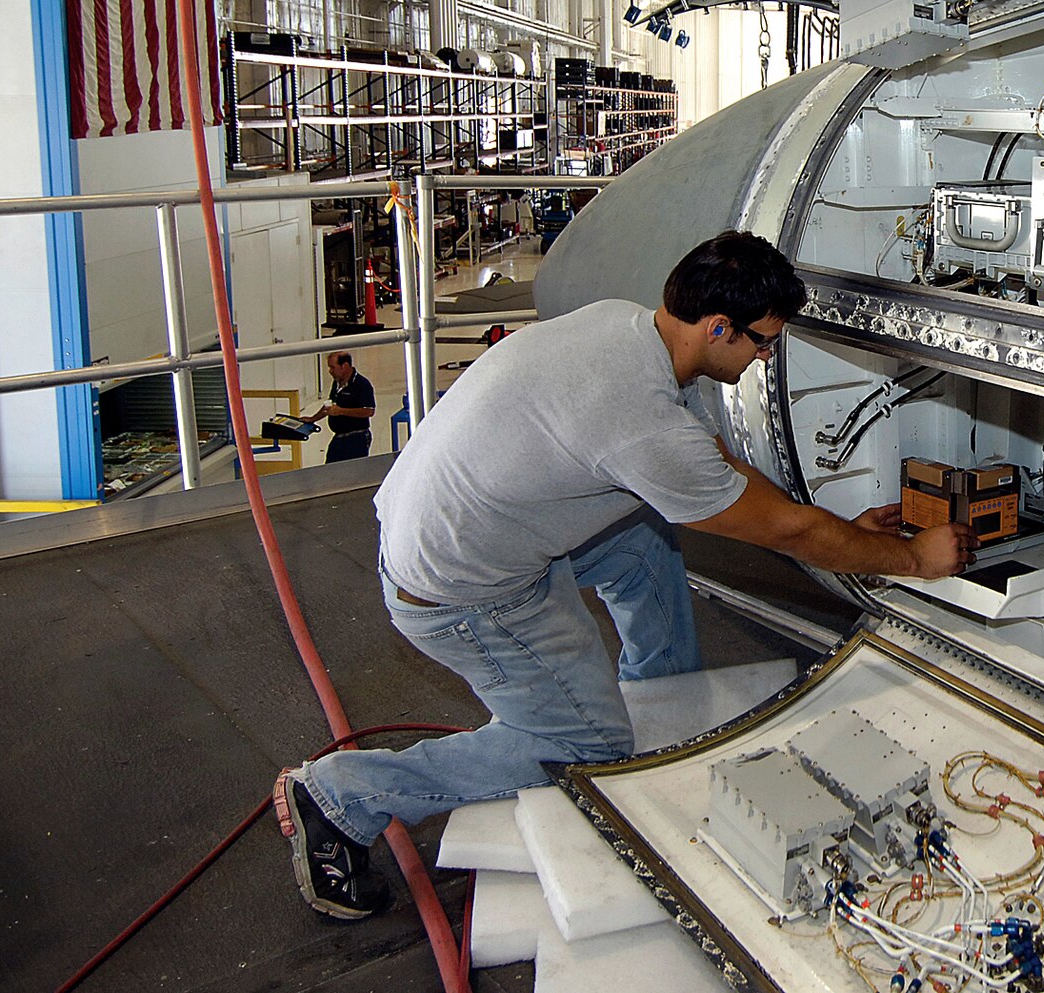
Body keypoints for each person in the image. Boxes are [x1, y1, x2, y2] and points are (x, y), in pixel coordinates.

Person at [273, 230, 977, 919]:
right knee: (582, 744)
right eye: (763, 341)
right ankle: (344, 795)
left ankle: (661, 705)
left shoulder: (629, 328)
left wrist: (844, 529)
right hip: (459, 589)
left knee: (644, 541)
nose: (766, 357)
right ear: (718, 326)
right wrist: (915, 560)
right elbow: (780, 528)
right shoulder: (642, 423)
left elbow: (720, 471)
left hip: (452, 525)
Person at [313, 352, 376, 463]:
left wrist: (341, 411)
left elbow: (369, 411)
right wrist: (312, 419)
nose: (330, 371)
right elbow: (330, 405)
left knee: (352, 473)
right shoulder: (337, 383)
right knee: (330, 470)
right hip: (339, 438)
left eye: (333, 367)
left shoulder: (361, 384)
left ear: (345, 366)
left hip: (356, 439)